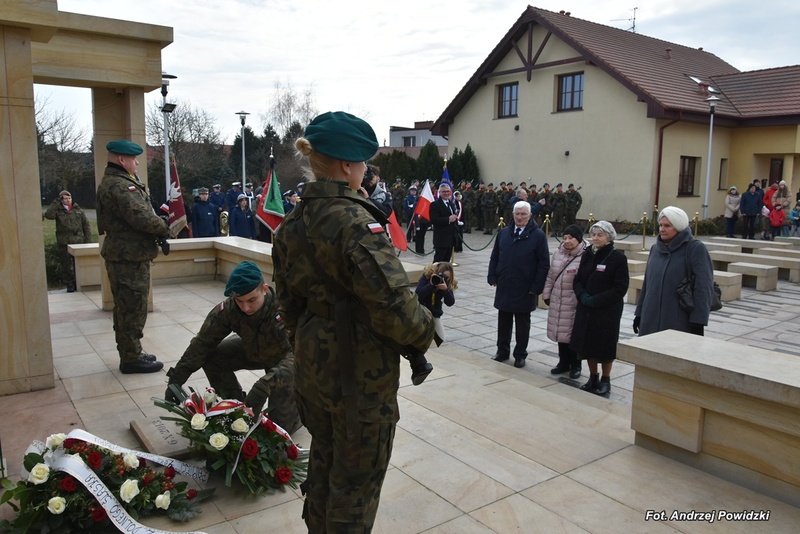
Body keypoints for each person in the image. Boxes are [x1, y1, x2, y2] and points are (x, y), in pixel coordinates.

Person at [271, 111, 435, 532]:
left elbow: (287, 307)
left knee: (324, 466)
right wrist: (427, 322)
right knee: (356, 485)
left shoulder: (292, 223)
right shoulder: (357, 222)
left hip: (313, 369)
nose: (366, 170)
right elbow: (400, 314)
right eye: (363, 161)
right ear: (346, 165)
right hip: (358, 379)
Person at [164, 261, 301, 434]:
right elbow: (202, 344)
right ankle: (234, 406)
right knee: (212, 356)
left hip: (284, 362)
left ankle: (299, 410)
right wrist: (176, 380)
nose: (245, 308)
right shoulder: (229, 308)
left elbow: (299, 358)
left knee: (277, 429)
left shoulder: (285, 310)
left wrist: (263, 386)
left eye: (252, 300)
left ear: (264, 289)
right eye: (240, 301)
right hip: (252, 349)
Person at [96, 139, 170, 374]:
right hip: (128, 257)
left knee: (128, 306)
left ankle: (132, 351)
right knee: (132, 307)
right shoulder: (120, 185)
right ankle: (130, 358)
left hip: (127, 255)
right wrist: (165, 226)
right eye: (134, 159)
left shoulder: (118, 181)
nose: (137, 163)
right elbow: (140, 217)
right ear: (121, 160)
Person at [634, 206, 714, 337]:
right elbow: (647, 285)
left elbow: (704, 287)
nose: (662, 229)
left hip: (678, 321)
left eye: (667, 226)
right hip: (650, 319)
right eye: (660, 225)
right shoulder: (655, 249)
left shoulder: (695, 249)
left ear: (678, 226)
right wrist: (639, 313)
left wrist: (698, 320)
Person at [487, 201, 550, 368]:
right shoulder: (504, 233)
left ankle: (520, 354)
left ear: (530, 216)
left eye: (523, 214)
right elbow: (495, 256)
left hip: (525, 287)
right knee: (504, 321)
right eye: (517, 214)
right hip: (505, 284)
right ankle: (502, 351)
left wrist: (537, 287)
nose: (520, 217)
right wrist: (492, 275)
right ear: (512, 215)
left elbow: (544, 264)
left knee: (522, 323)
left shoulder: (538, 236)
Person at [570, 221, 629, 396]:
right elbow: (578, 279)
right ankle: (593, 377)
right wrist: (582, 295)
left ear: (609, 237)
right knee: (587, 345)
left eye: (600, 235)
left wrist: (596, 300)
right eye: (593, 234)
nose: (595, 238)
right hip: (586, 307)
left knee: (604, 346)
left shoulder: (617, 258)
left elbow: (620, 288)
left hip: (606, 311)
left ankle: (605, 379)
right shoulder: (587, 254)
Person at [542, 224, 587, 379]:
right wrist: (546, 294)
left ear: (579, 239)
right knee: (560, 333)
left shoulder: (585, 255)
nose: (567, 241)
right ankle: (563, 362)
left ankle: (576, 365)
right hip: (558, 298)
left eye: (571, 238)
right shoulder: (558, 253)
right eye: (565, 237)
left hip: (573, 301)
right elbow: (550, 276)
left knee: (573, 335)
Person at [43, 189, 92, 292]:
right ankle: (69, 283)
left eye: (69, 198)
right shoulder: (58, 210)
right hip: (64, 241)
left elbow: (86, 226)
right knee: (66, 265)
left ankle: (77, 282)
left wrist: (87, 241)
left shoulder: (78, 210)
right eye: (65, 198)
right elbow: (48, 215)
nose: (68, 200)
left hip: (78, 241)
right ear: (61, 200)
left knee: (77, 264)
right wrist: (56, 202)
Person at [430, 182, 459, 262]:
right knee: (438, 262)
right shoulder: (435, 204)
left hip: (450, 238)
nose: (446, 193)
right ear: (439, 192)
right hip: (441, 239)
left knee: (446, 263)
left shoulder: (451, 203)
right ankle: (434, 275)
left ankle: (444, 275)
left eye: (447, 191)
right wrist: (448, 219)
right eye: (444, 191)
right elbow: (433, 219)